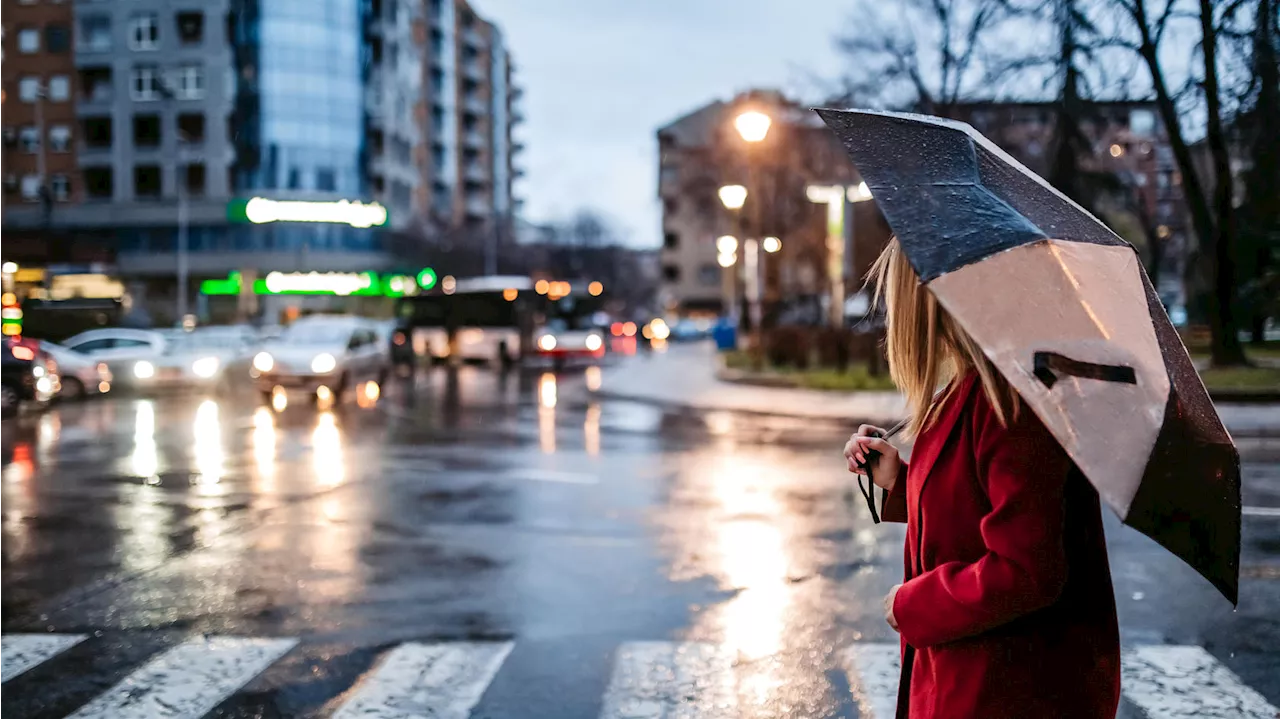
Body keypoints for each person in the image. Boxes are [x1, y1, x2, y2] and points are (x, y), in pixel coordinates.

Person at [844, 238, 1121, 718]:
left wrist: (913, 605)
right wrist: (898, 481)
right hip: (971, 678)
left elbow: (1027, 571)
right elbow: (974, 509)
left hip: (1002, 688)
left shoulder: (1008, 402)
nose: (891, 316)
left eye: (896, 297)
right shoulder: (970, 388)